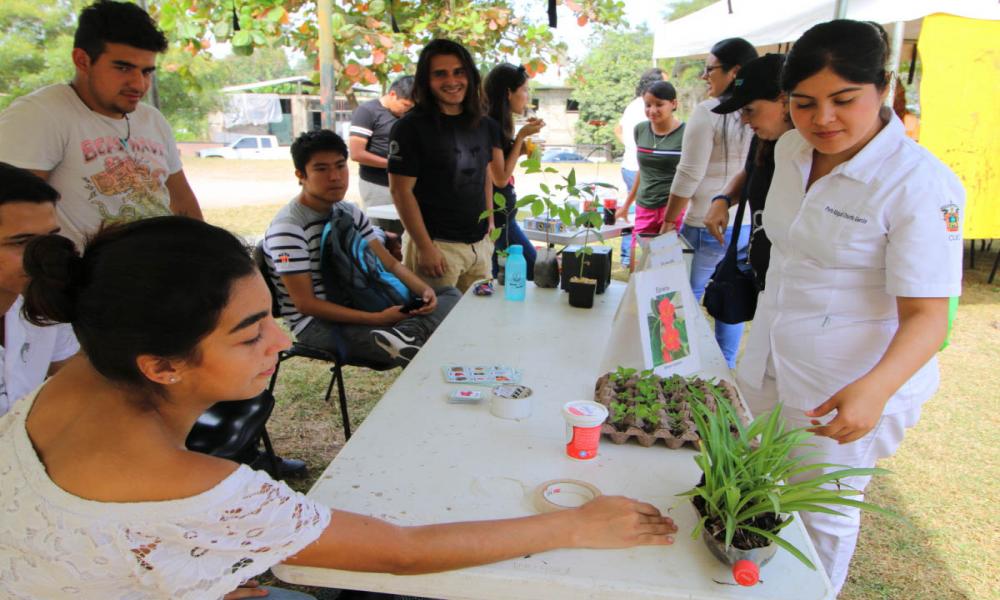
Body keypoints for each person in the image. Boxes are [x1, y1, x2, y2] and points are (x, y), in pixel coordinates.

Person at [0, 215, 678, 598]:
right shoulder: (197, 488)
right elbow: (403, 553)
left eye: (269, 315)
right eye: (250, 334)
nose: (281, 341)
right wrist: (573, 526)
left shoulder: (76, 374)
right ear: (161, 366)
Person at [735, 20, 964, 594]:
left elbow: (928, 316)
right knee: (751, 483)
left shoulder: (918, 183)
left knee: (821, 510)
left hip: (846, 381)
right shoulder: (791, 149)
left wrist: (875, 388)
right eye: (804, 103)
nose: (823, 120)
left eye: (844, 100)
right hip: (769, 356)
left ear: (883, 88)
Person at [0, 0, 202, 249]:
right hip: (84, 271)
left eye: (147, 72)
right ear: (82, 60)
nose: (138, 84)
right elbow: (14, 217)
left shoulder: (152, 119)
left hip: (159, 265)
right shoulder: (39, 114)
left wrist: (207, 254)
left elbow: (182, 201)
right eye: (123, 68)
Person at [264, 130, 460, 369]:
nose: (335, 177)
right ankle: (406, 337)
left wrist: (424, 290)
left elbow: (390, 263)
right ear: (301, 175)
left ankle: (406, 335)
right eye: (321, 169)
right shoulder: (289, 228)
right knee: (432, 341)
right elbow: (306, 304)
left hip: (361, 300)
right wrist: (377, 319)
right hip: (317, 325)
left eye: (340, 166)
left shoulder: (348, 211)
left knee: (450, 295)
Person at [662, 38, 757, 369]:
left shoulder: (709, 112)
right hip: (744, 223)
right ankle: (724, 370)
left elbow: (689, 173)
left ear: (735, 71)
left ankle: (678, 369)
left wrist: (669, 219)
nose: (705, 76)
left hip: (705, 221)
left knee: (683, 299)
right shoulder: (759, 110)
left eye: (710, 69)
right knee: (731, 295)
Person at [388, 39, 504, 292]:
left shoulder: (483, 124)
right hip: (437, 247)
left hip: (479, 246)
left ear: (470, 76)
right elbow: (400, 191)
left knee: (479, 314)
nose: (452, 81)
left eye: (459, 72)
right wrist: (424, 247)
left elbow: (485, 173)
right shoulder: (410, 127)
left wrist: (490, 222)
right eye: (440, 74)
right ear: (426, 80)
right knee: (437, 317)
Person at [703, 53, 792, 291]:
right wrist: (723, 199)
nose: (743, 120)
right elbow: (751, 171)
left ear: (784, 102)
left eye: (750, 110)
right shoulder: (763, 140)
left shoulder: (812, 154)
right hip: (763, 281)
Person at [0, 164, 78, 417]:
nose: (44, 256)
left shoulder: (44, 305)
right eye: (22, 242)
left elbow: (78, 385)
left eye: (50, 239)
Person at [483, 63, 545, 280]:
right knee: (537, 271)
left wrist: (521, 148)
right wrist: (521, 137)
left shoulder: (499, 124)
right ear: (508, 92)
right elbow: (499, 178)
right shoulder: (490, 125)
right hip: (499, 219)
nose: (527, 96)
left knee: (500, 279)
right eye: (525, 90)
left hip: (505, 217)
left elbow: (501, 165)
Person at [615, 81, 685, 244]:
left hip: (673, 208)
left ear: (673, 104)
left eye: (659, 104)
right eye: (648, 105)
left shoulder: (686, 132)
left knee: (668, 255)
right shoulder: (640, 129)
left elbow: (691, 175)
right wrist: (626, 205)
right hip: (645, 206)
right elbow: (642, 170)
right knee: (640, 255)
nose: (652, 110)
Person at [348, 75, 415, 232]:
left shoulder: (409, 116)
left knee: (405, 232)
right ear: (392, 94)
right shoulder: (367, 112)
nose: (407, 110)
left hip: (406, 185)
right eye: (405, 105)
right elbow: (356, 154)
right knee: (380, 232)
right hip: (377, 185)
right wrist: (394, 164)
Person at [614, 68, 666, 267]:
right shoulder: (648, 109)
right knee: (640, 214)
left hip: (629, 165)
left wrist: (629, 145)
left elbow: (617, 129)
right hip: (639, 167)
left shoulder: (633, 105)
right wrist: (636, 148)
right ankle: (631, 257)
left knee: (634, 213)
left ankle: (629, 257)